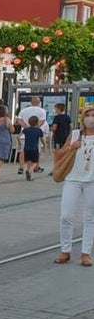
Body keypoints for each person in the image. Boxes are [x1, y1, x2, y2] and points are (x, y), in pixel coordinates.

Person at [55, 108, 94, 266]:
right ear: (82, 118)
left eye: (93, 116)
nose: (90, 119)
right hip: (72, 179)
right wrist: (72, 147)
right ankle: (65, 250)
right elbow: (59, 153)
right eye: (88, 116)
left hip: (92, 181)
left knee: (90, 218)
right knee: (66, 215)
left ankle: (86, 253)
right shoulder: (76, 134)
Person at [22, 115, 45, 181]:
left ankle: (30, 175)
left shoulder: (26, 130)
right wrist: (44, 145)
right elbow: (42, 139)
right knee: (35, 162)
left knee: (29, 161)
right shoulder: (38, 130)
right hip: (34, 148)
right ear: (37, 122)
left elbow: (18, 136)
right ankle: (30, 171)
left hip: (26, 148)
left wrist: (20, 143)